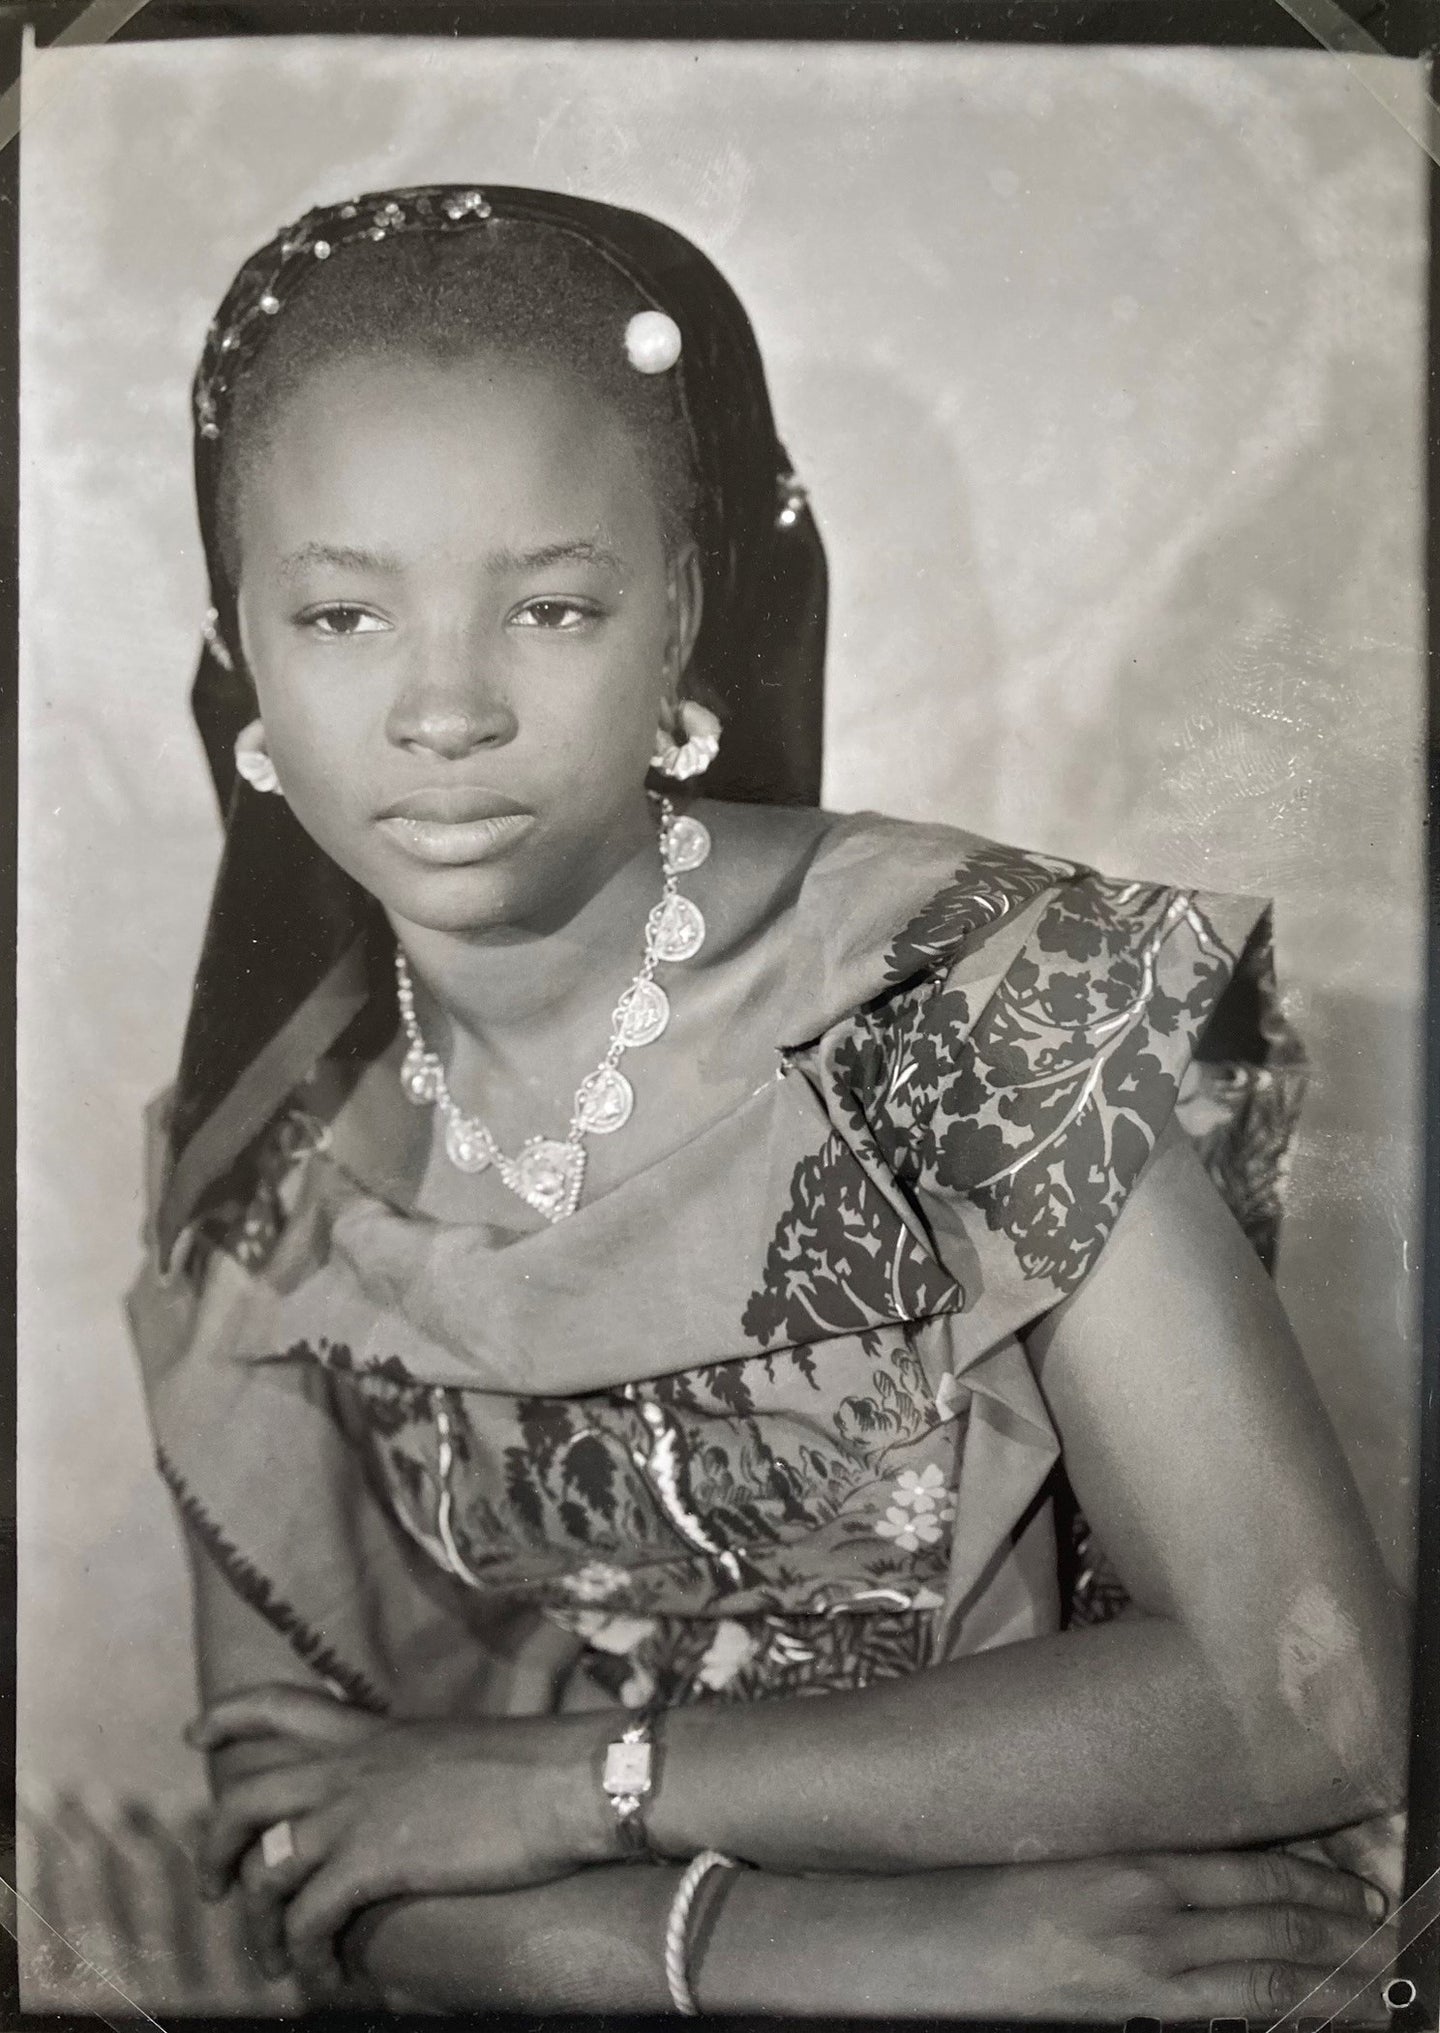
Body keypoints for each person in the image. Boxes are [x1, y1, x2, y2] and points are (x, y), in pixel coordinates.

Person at [126, 182, 1407, 2020]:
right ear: (239, 648)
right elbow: (300, 1836)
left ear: (684, 621)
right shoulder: (261, 1168)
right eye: (339, 615)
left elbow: (1315, 1698)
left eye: (553, 603)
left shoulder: (964, 995)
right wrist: (805, 1948)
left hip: (1133, 1959)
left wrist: (580, 1789)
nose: (444, 708)